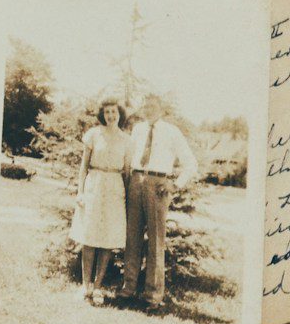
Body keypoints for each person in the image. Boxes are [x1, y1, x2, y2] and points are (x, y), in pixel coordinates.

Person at [120, 95, 198, 309]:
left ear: (161, 109)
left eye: (153, 106)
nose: (149, 109)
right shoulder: (137, 129)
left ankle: (152, 296)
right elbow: (128, 158)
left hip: (158, 184)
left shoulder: (171, 131)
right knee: (132, 237)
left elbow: (191, 164)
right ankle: (128, 289)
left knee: (156, 241)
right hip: (136, 181)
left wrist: (175, 184)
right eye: (145, 106)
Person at [69, 99, 131, 305]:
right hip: (94, 186)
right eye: (107, 113)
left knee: (107, 238)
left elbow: (128, 172)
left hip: (114, 188)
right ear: (103, 115)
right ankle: (85, 285)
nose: (111, 116)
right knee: (89, 236)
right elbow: (83, 167)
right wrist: (80, 192)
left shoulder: (126, 139)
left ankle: (98, 286)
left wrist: (127, 197)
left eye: (114, 112)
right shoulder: (94, 135)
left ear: (120, 114)